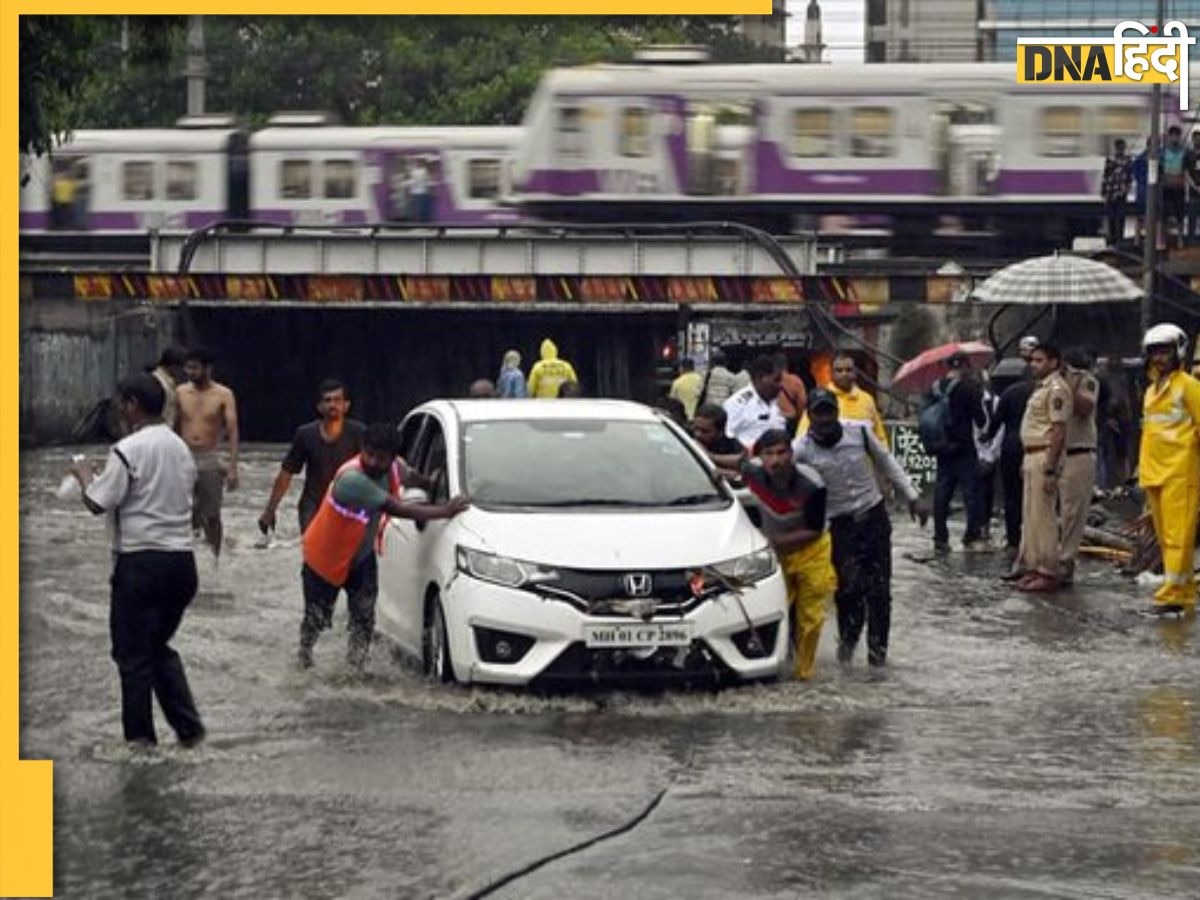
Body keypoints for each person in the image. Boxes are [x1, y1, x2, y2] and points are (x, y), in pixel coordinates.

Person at [70, 373, 205, 748]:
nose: (118, 411)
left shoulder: (127, 448)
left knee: (131, 656)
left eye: (120, 404)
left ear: (132, 405)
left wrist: (84, 476)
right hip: (182, 564)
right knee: (156, 646)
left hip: (141, 564)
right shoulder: (179, 447)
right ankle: (190, 731)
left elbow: (97, 502)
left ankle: (140, 744)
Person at [299, 422, 470, 670]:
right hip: (324, 560)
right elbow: (398, 509)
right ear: (361, 449)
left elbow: (410, 477)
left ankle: (354, 668)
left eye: (381, 458)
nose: (373, 462)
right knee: (316, 619)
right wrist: (447, 510)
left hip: (360, 557)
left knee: (364, 618)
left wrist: (430, 484)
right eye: (368, 454)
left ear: (391, 457)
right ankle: (304, 657)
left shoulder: (394, 467)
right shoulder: (351, 480)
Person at [793, 389, 927, 667]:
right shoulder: (801, 449)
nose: (825, 418)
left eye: (829, 412)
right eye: (819, 413)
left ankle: (878, 658)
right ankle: (847, 649)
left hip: (874, 518)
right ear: (810, 417)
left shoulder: (861, 433)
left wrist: (912, 496)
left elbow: (887, 462)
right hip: (839, 528)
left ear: (836, 413)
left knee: (880, 592)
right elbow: (778, 473)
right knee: (848, 590)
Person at [740, 429, 836, 681]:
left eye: (781, 452)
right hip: (777, 553)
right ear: (760, 457)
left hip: (812, 552)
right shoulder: (753, 473)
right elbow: (735, 464)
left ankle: (804, 674)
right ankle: (769, 666)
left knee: (810, 616)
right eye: (768, 454)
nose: (775, 460)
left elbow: (814, 530)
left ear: (791, 454)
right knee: (770, 609)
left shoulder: (812, 485)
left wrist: (774, 542)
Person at [1138, 324, 1200, 614]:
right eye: (1154, 352)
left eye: (1164, 351)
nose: (1159, 358)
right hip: (1154, 471)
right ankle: (1184, 591)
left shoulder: (1189, 386)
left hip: (1181, 471)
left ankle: (1171, 595)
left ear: (1178, 351)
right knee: (1168, 538)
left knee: (1178, 537)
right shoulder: (1151, 391)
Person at [258, 379, 367, 536]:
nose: (332, 405)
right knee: (312, 554)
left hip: (348, 503)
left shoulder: (359, 433)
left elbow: (375, 468)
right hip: (313, 504)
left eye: (337, 400)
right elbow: (286, 474)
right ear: (319, 407)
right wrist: (270, 510)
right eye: (327, 400)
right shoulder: (306, 434)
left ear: (346, 406)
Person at [1009, 343, 1072, 593]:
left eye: (1040, 360)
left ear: (1054, 362)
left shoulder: (1057, 389)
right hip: (1031, 454)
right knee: (1031, 515)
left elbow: (1058, 430)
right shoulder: (1041, 388)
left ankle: (1048, 570)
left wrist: (1050, 468)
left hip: (1045, 455)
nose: (1034, 364)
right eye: (1032, 360)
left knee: (1044, 516)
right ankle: (1034, 566)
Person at [176, 347, 239, 561]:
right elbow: (172, 427)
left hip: (209, 458)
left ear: (208, 369)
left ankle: (215, 558)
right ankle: (188, 555)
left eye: (195, 368)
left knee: (212, 515)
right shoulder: (180, 392)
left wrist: (232, 468)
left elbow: (232, 431)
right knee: (184, 512)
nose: (190, 372)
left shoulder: (223, 394)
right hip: (183, 458)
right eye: (187, 367)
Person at [930, 352, 989, 552]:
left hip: (941, 447)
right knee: (970, 492)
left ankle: (940, 537)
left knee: (941, 493)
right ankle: (971, 535)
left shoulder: (935, 387)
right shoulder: (970, 388)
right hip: (963, 447)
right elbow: (981, 420)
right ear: (964, 366)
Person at [1058, 348, 1100, 586]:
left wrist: (1071, 383)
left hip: (1079, 452)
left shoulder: (1087, 381)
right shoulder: (1050, 384)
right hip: (1055, 453)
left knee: (1073, 513)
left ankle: (1066, 562)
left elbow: (1085, 407)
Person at [987, 362, 1035, 552]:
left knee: (1011, 494)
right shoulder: (1038, 392)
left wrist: (987, 439)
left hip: (1011, 445)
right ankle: (1031, 536)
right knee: (1032, 494)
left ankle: (1013, 537)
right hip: (1033, 445)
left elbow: (996, 422)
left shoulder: (1009, 393)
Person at [796, 350, 889, 447]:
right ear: (831, 374)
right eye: (839, 370)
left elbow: (880, 437)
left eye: (848, 370)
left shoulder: (867, 400)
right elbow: (802, 435)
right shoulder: (821, 400)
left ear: (855, 372)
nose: (844, 374)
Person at [723, 354, 786, 451]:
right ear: (760, 378)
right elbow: (727, 436)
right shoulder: (737, 403)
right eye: (776, 380)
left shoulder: (774, 403)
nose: (781, 385)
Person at [691, 403, 747, 478]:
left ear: (720, 432)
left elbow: (744, 470)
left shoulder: (732, 446)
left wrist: (709, 456)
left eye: (705, 431)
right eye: (695, 428)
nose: (698, 434)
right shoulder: (685, 434)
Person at [1100, 138, 1133, 247]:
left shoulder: (1115, 160)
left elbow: (1106, 178)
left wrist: (1104, 193)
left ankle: (1116, 240)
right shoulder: (1125, 161)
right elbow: (1106, 176)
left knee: (1116, 218)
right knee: (1114, 218)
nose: (1119, 150)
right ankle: (1115, 240)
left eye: (1120, 148)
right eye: (1119, 148)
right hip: (1114, 192)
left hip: (1116, 192)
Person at [1160, 126, 1189, 245]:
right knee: (1164, 213)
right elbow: (1159, 169)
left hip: (1179, 186)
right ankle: (1163, 238)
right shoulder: (1162, 152)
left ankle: (1180, 239)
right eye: (1173, 135)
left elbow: (1186, 169)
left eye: (1177, 135)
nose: (1175, 138)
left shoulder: (1184, 152)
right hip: (1166, 186)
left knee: (1180, 214)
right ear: (1169, 136)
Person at [149, 345, 187, 431]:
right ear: (174, 366)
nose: (184, 372)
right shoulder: (157, 383)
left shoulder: (169, 382)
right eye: (182, 367)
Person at [773, 351, 809, 434]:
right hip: (790, 419)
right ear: (786, 365)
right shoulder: (795, 381)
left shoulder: (770, 380)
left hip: (775, 420)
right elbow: (802, 403)